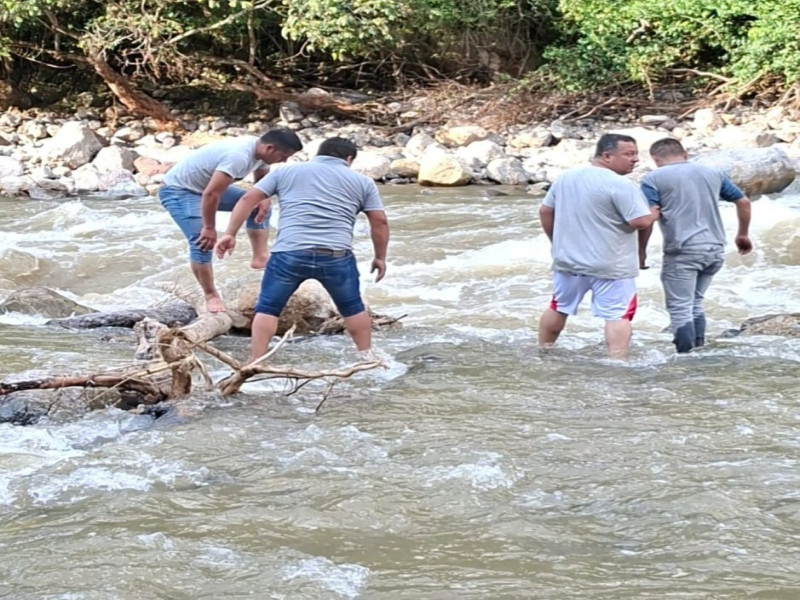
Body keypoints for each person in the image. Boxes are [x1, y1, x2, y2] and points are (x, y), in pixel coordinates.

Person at [214, 137, 390, 363]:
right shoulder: (363, 182)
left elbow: (249, 198)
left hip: (289, 254)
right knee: (353, 308)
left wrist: (230, 233)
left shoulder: (285, 172)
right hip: (335, 256)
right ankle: (368, 358)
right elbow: (380, 221)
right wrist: (380, 257)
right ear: (348, 159)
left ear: (319, 154)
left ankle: (256, 361)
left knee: (268, 308)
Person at [537, 133, 660, 359]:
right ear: (606, 156)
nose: (635, 160)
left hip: (568, 261)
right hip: (612, 265)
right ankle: (617, 361)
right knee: (617, 315)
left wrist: (556, 243)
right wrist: (653, 215)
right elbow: (639, 222)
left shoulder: (566, 178)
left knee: (559, 306)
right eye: (629, 154)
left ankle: (543, 349)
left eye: (636, 154)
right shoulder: (622, 185)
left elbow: (545, 211)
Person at [159, 129, 303, 313]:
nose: (284, 161)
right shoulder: (238, 156)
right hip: (179, 191)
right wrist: (210, 228)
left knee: (258, 205)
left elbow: (261, 182)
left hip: (203, 189)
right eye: (283, 156)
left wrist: (264, 199)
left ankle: (260, 258)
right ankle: (210, 295)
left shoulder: (260, 153)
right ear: (269, 148)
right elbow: (211, 194)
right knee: (202, 242)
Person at [639, 138, 752, 353]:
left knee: (680, 307)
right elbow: (743, 201)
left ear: (655, 159)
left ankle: (685, 357)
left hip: (683, 250)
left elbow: (649, 217)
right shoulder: (712, 173)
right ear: (685, 153)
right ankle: (698, 350)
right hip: (715, 248)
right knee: (695, 302)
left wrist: (641, 252)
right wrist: (743, 234)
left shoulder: (652, 178)